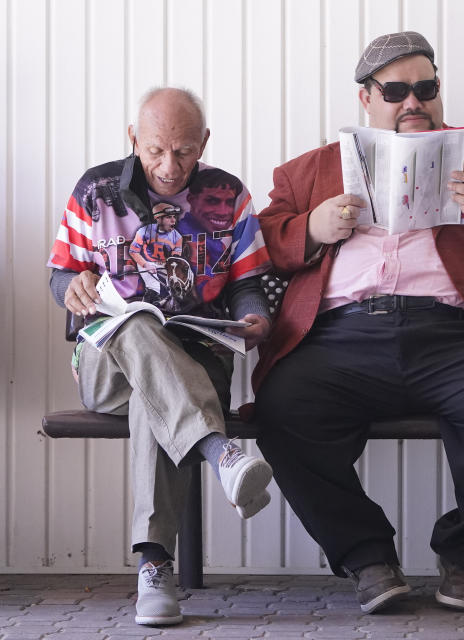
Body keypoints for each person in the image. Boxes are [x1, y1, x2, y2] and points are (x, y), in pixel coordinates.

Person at [252, 31, 464, 614]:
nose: (413, 102)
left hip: (461, 336)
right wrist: (311, 229)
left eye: (426, 88)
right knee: (282, 405)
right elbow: (263, 243)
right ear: (366, 99)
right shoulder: (307, 171)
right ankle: (367, 558)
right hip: (342, 338)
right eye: (395, 90)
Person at [46, 87, 275, 627]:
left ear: (204, 144)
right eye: (155, 151)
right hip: (106, 363)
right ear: (133, 139)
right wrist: (71, 286)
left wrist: (255, 318)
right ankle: (220, 452)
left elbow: (250, 283)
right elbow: (61, 272)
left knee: (159, 399)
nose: (170, 166)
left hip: (197, 361)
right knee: (139, 318)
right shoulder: (95, 191)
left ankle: (154, 571)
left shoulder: (228, 196)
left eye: (185, 150)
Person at [129, 202, 184, 304]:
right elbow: (133, 251)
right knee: (153, 288)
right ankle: (148, 304)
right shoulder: (143, 232)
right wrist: (146, 265)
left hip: (165, 264)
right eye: (168, 217)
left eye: (174, 217)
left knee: (174, 289)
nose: (173, 220)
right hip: (147, 262)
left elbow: (176, 257)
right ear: (158, 218)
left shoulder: (177, 237)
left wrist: (171, 268)